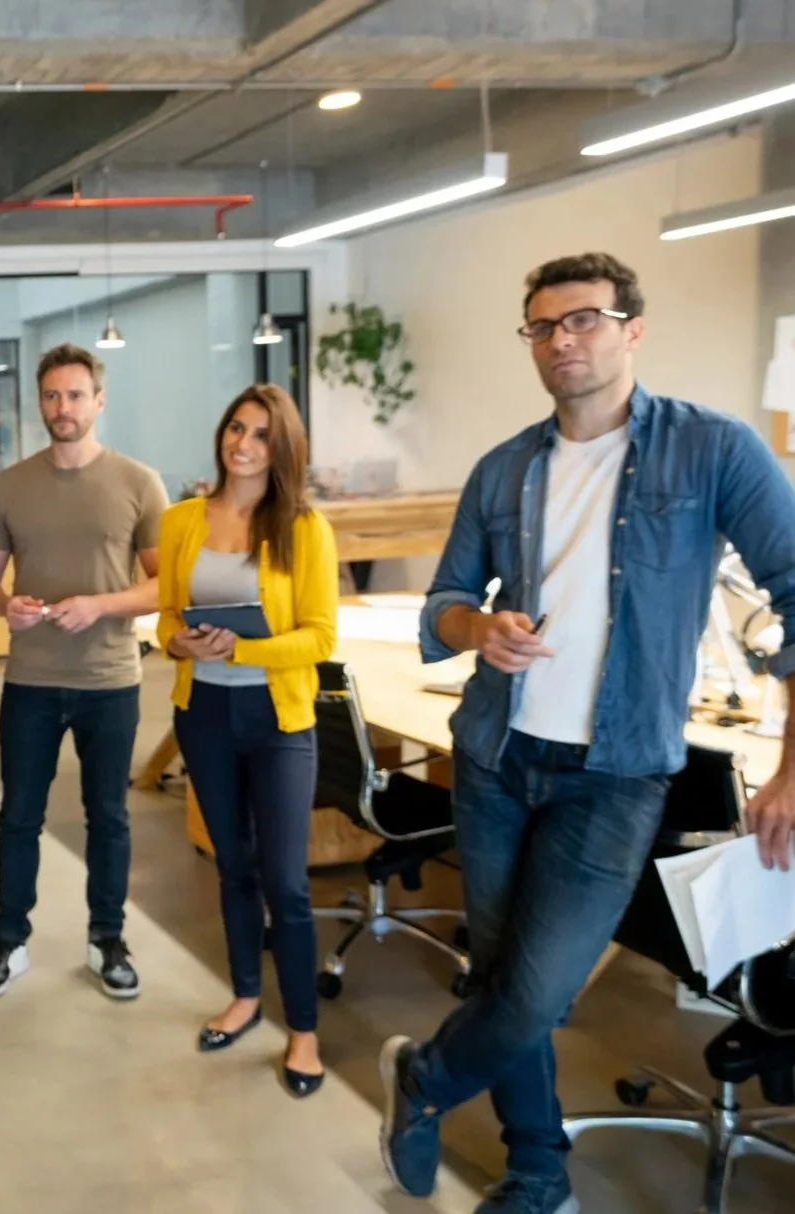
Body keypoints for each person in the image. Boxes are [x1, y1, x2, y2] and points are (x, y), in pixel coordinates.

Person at [379, 252, 795, 1214]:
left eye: (584, 320)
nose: (562, 340)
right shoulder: (504, 467)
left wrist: (786, 768)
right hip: (493, 757)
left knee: (534, 996)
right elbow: (440, 601)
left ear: (630, 330)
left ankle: (427, 1080)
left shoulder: (712, 450)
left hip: (612, 777)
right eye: (541, 327)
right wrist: (475, 629)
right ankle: (535, 1173)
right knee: (494, 976)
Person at [0, 343, 169, 1000]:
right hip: (29, 681)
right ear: (40, 402)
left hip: (109, 681)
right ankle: (8, 939)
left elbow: (166, 586)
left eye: (75, 395)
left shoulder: (138, 483)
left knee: (107, 815)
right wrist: (8, 607)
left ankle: (107, 939)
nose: (62, 407)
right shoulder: (9, 486)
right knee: (18, 815)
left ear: (98, 401)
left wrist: (100, 606)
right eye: (52, 396)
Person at [156, 384, 337, 1098]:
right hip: (201, 714)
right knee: (231, 867)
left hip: (278, 722)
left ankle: (302, 1032)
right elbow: (167, 614)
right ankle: (242, 995)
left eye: (260, 435)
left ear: (281, 448)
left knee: (286, 884)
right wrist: (177, 640)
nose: (242, 444)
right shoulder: (180, 521)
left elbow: (321, 637)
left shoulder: (303, 528)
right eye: (235, 428)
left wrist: (241, 652)